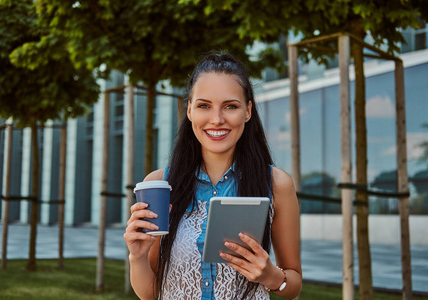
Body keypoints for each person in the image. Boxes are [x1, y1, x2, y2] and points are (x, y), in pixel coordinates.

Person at [124, 53, 302, 299]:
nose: (217, 119)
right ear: (189, 110)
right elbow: (150, 294)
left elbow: (293, 284)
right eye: (204, 106)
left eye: (230, 106)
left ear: (248, 111)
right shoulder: (160, 185)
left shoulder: (276, 183)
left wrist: (269, 275)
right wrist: (137, 256)